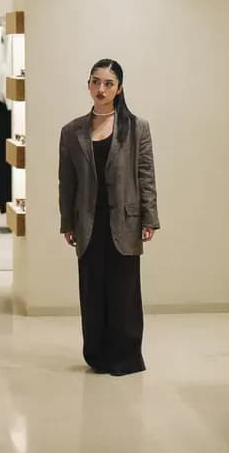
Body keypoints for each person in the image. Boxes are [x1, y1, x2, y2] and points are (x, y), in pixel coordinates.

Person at [58, 59, 160, 375]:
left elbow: (146, 175)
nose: (100, 89)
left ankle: (126, 357)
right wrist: (67, 222)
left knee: (124, 291)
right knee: (92, 289)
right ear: (88, 84)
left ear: (119, 88)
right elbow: (67, 181)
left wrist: (149, 218)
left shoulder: (136, 128)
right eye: (95, 82)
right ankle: (97, 355)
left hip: (125, 221)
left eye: (108, 84)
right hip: (89, 222)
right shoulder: (72, 130)